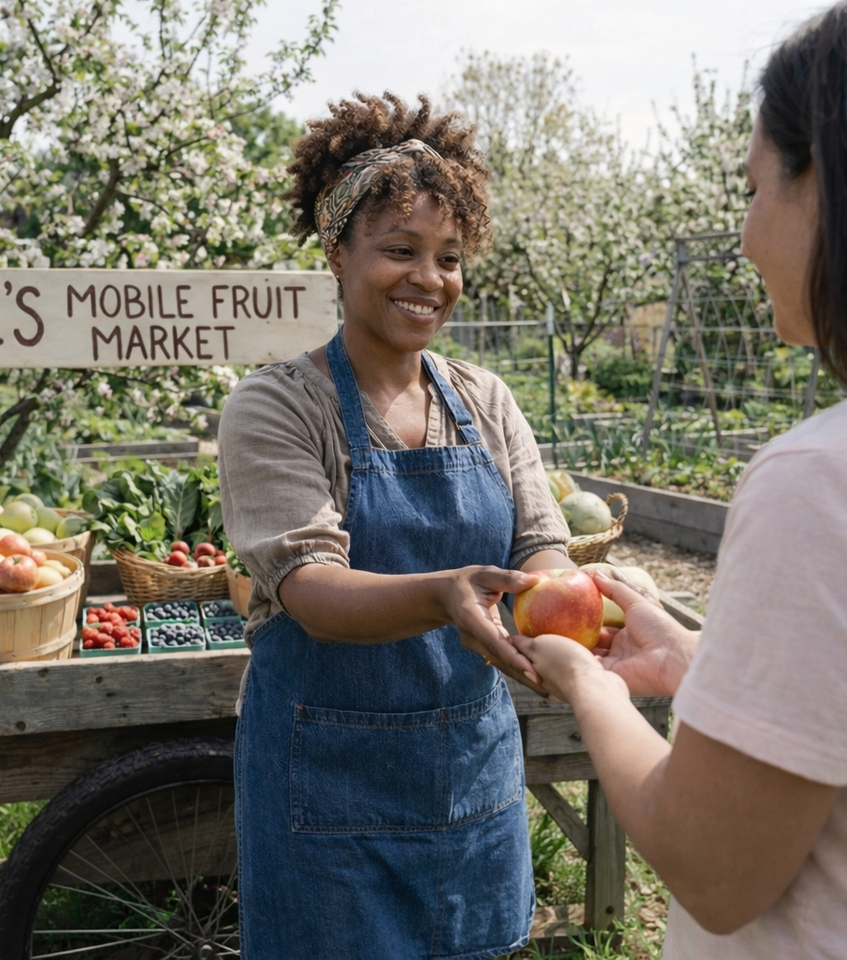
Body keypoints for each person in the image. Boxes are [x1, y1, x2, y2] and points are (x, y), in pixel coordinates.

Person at [513, 5, 847, 958]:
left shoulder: (813, 482)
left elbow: (713, 868)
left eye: (754, 189)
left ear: (823, 176)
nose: (743, 239)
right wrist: (707, 671)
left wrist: (590, 689)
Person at [217, 92, 573, 960]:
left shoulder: (485, 400)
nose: (430, 279)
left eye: (450, 257)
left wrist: (568, 596)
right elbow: (311, 593)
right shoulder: (277, 407)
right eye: (400, 251)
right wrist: (448, 594)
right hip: (326, 799)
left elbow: (540, 540)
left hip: (473, 787)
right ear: (337, 253)